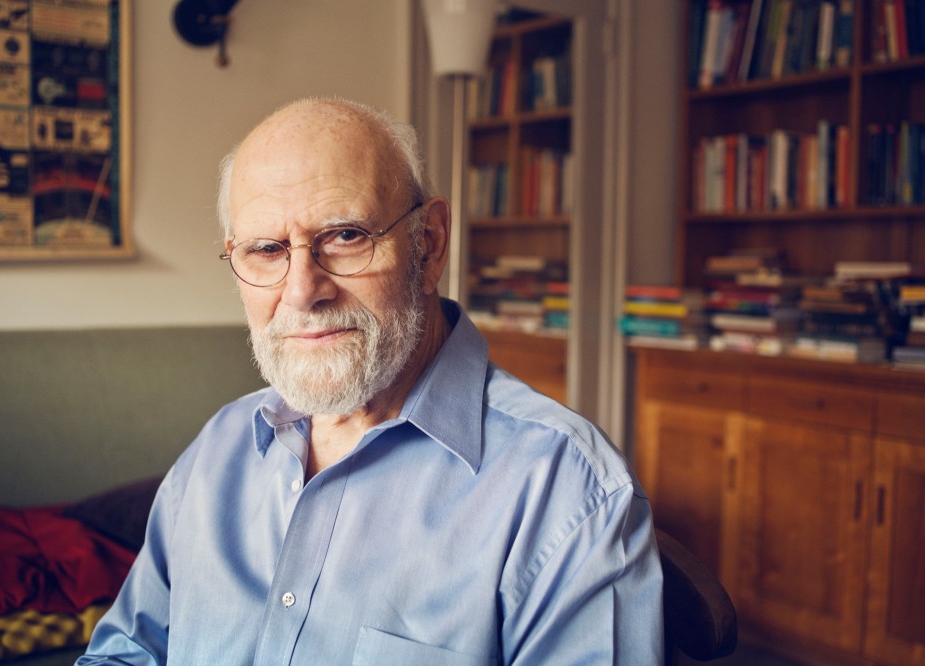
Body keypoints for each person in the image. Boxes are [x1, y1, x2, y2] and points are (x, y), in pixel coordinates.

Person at [78, 97, 663, 665]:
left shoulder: (565, 490)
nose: (303, 291)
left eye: (346, 236)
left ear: (429, 244)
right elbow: (127, 651)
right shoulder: (221, 446)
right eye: (264, 249)